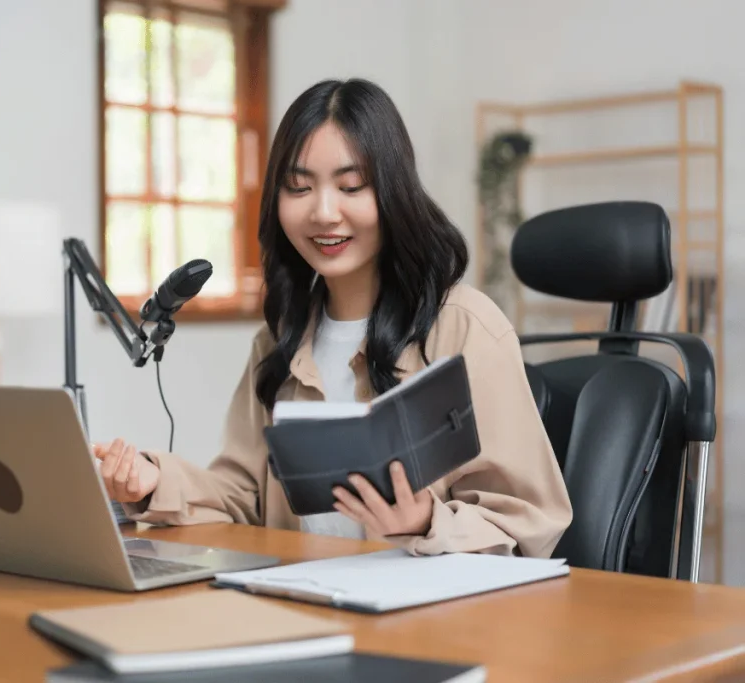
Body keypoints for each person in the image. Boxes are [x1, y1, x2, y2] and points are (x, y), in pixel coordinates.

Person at [94, 78, 573, 558]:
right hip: (307, 608)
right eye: (299, 187)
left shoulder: (466, 327)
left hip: (430, 620)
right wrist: (152, 481)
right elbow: (242, 498)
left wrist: (425, 521)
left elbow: (528, 520)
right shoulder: (278, 341)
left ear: (393, 193)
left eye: (351, 187)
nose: (324, 213)